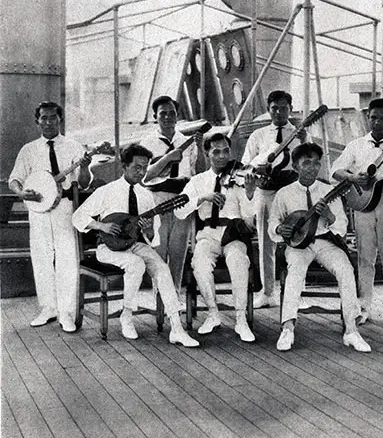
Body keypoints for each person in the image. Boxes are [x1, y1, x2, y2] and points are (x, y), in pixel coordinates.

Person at [72, 143, 199, 346]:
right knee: (136, 264)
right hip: (108, 248)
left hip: (134, 245)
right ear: (124, 165)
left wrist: (148, 230)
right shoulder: (107, 191)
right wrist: (101, 226)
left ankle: (177, 328)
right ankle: (127, 315)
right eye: (136, 167)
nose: (141, 173)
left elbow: (154, 237)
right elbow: (78, 217)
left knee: (162, 269)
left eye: (144, 168)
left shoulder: (146, 195)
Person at [269, 142, 371, 352]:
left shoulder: (328, 191)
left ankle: (351, 330)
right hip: (298, 246)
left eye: (317, 163)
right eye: (306, 163)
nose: (312, 167)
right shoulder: (284, 193)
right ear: (296, 166)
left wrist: (329, 216)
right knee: (295, 271)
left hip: (325, 241)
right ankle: (288, 328)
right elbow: (273, 222)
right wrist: (280, 229)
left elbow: (341, 226)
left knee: (345, 268)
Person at [9, 101, 92, 332]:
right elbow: (14, 179)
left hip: (65, 208)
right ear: (37, 121)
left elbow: (84, 183)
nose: (48, 122)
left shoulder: (74, 147)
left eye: (52, 118)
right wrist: (21, 192)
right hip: (38, 212)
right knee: (42, 259)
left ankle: (66, 313)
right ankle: (48, 309)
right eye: (43, 118)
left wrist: (85, 167)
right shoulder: (29, 150)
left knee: (67, 260)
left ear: (60, 119)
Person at [331, 98, 383, 327]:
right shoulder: (356, 145)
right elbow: (335, 170)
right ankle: (363, 307)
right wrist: (354, 177)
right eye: (373, 117)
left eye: (382, 118)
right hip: (362, 205)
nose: (376, 122)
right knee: (365, 257)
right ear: (368, 117)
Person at [175, 133, 257, 342]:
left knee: (239, 261)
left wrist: (249, 194)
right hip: (208, 235)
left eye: (226, 151)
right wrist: (203, 197)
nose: (222, 156)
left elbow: (249, 219)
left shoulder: (240, 178)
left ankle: (241, 319)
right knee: (200, 263)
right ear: (207, 153)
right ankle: (213, 314)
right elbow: (179, 210)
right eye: (216, 152)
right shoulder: (198, 181)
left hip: (233, 234)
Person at [242, 90, 306, 308]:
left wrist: (304, 142)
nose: (279, 112)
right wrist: (256, 167)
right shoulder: (258, 135)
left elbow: (309, 163)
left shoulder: (299, 133)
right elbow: (245, 165)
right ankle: (267, 291)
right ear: (269, 110)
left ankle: (296, 294)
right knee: (265, 242)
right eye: (274, 108)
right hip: (265, 192)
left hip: (291, 192)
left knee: (298, 240)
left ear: (290, 108)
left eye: (283, 108)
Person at [139, 95, 205, 301]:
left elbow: (200, 172)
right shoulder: (147, 142)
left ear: (177, 116)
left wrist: (200, 148)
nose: (167, 117)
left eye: (171, 113)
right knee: (158, 252)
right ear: (155, 117)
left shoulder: (187, 141)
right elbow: (144, 176)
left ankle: (174, 297)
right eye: (162, 114)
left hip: (182, 200)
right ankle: (160, 299)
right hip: (156, 199)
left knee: (178, 252)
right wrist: (167, 158)